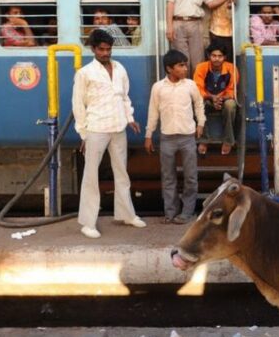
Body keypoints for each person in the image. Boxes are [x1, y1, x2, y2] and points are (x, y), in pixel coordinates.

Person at [72, 29, 145, 239]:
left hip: (119, 126)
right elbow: (78, 106)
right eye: (101, 49)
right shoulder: (85, 73)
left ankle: (126, 214)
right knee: (91, 176)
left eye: (108, 49)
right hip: (95, 128)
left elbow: (124, 97)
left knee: (122, 172)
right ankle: (88, 223)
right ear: (93, 49)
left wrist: (130, 119)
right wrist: (83, 134)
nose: (106, 53)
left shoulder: (120, 68)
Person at [145, 50, 206, 225]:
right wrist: (149, 135)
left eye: (185, 65)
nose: (185, 68)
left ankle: (187, 212)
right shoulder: (158, 87)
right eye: (181, 65)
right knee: (168, 177)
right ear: (169, 68)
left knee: (191, 176)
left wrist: (200, 123)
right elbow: (153, 112)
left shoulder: (190, 85)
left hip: (188, 137)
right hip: (167, 138)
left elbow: (199, 104)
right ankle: (170, 213)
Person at [193, 42, 238, 156]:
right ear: (209, 56)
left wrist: (221, 99)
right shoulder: (201, 67)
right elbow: (198, 89)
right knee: (197, 104)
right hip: (207, 98)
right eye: (214, 56)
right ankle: (204, 140)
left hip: (224, 99)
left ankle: (228, 140)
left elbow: (232, 90)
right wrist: (211, 98)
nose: (216, 59)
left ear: (224, 57)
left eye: (220, 56)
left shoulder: (231, 68)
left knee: (230, 105)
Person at [166, 0, 212, 73]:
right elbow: (170, 4)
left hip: (196, 22)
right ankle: (182, 83)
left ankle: (197, 84)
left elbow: (211, 3)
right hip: (178, 22)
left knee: (198, 60)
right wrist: (169, 26)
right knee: (181, 59)